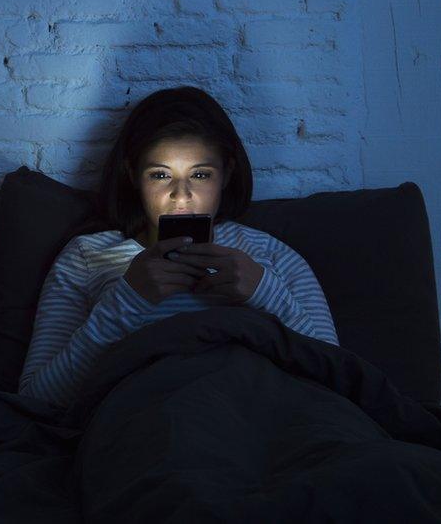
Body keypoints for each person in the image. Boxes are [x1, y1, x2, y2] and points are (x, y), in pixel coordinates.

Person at [19, 86, 338, 407]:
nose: (181, 195)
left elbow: (341, 380)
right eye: (160, 174)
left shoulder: (271, 255)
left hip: (256, 416)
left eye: (200, 174)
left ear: (227, 174)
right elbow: (37, 398)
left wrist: (264, 292)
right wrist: (128, 300)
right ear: (133, 175)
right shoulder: (86, 257)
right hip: (146, 422)